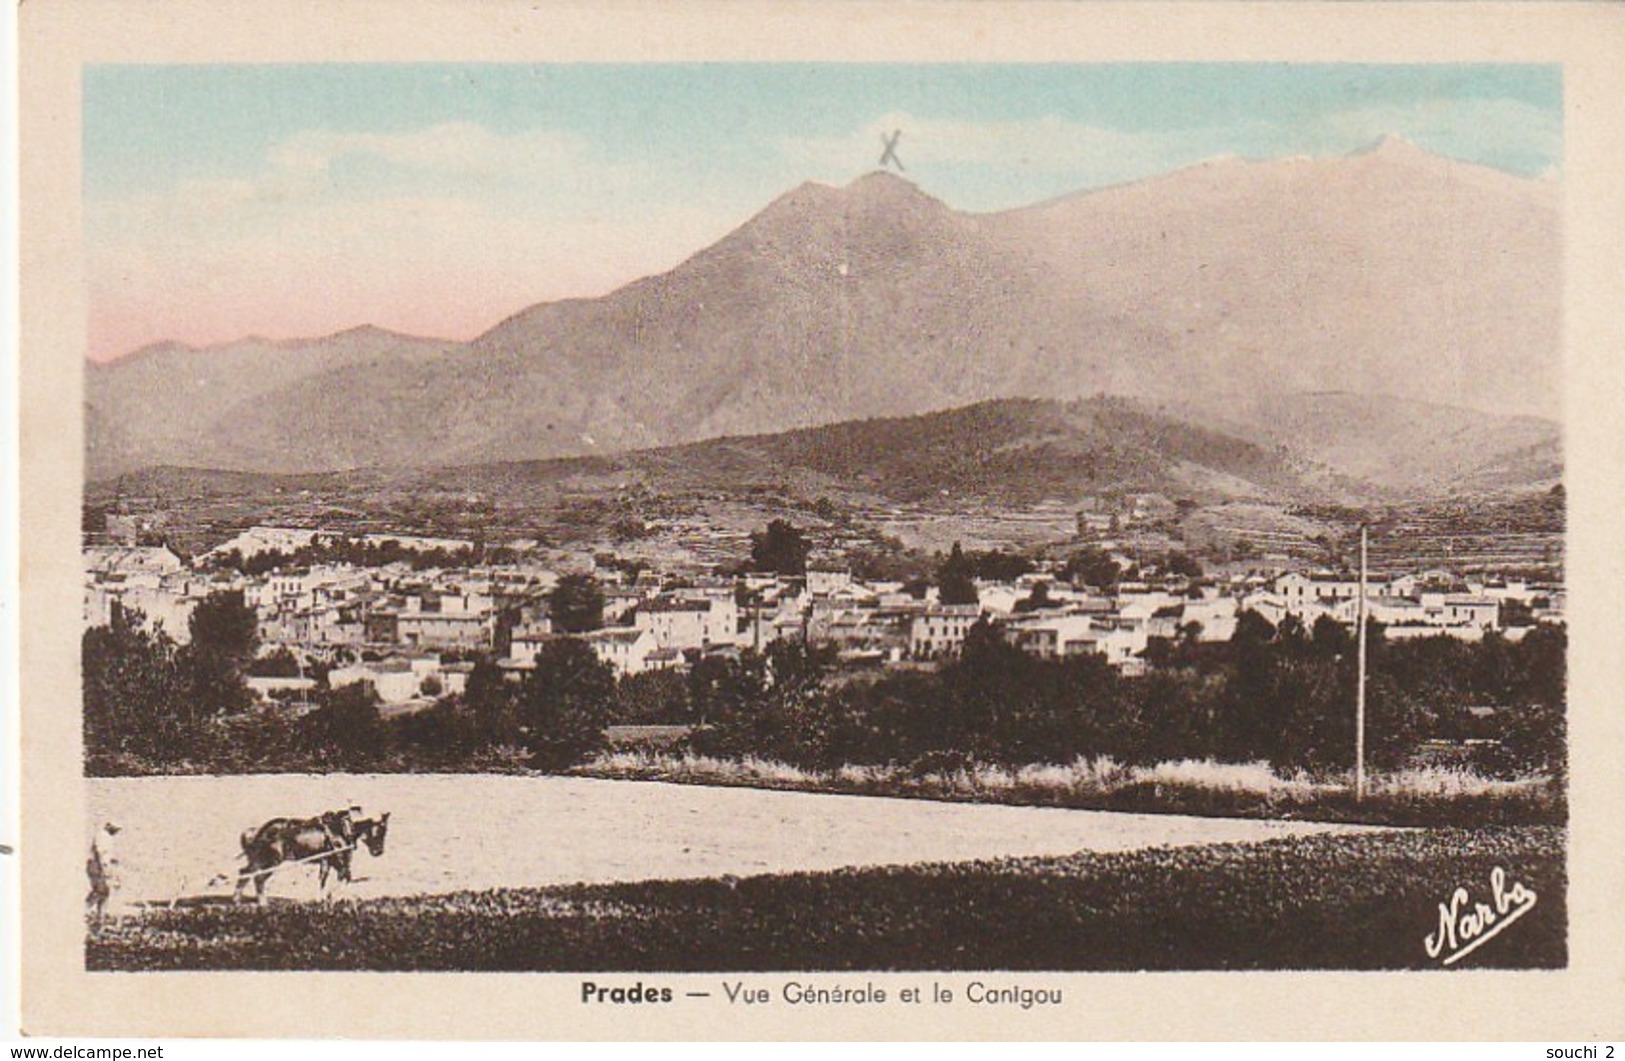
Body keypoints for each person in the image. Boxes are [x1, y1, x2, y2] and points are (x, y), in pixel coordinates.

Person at [86, 821, 122, 925]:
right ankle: (83, 911)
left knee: (104, 893)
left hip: (100, 866)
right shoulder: (103, 836)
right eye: (115, 829)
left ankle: (100, 920)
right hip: (97, 866)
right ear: (109, 826)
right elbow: (100, 854)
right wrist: (104, 869)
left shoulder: (107, 837)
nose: (116, 832)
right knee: (99, 892)